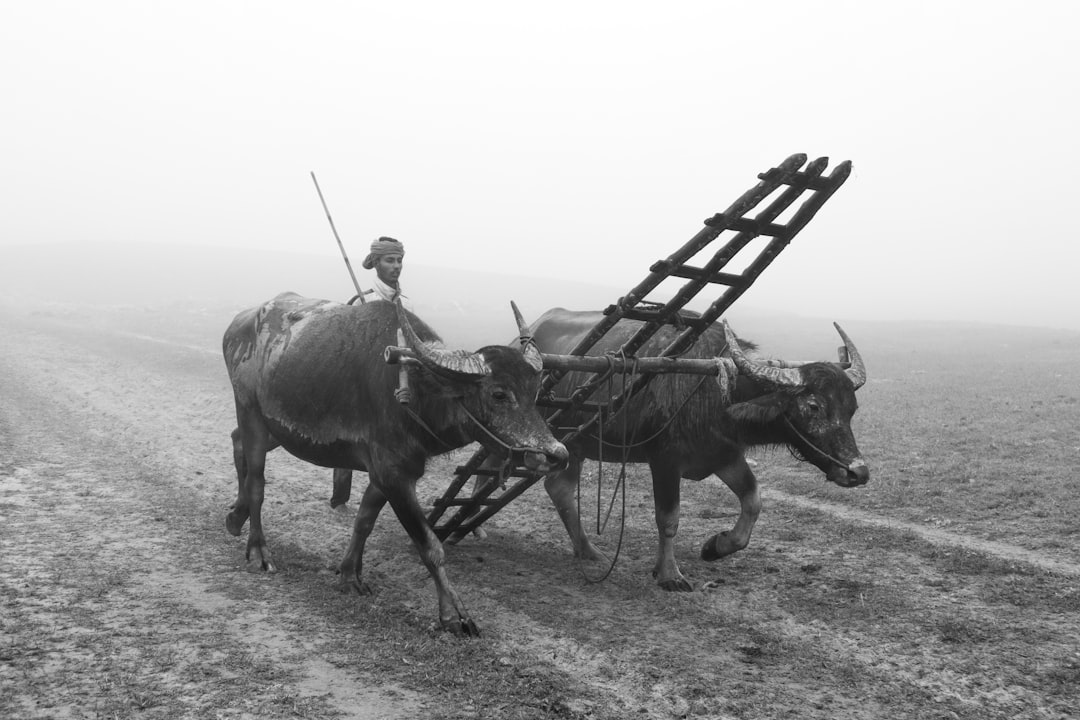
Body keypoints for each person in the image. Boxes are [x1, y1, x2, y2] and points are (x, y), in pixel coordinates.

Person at [361, 236, 406, 304]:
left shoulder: (407, 304)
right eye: (390, 261)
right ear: (376, 263)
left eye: (399, 261)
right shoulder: (360, 301)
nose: (397, 266)